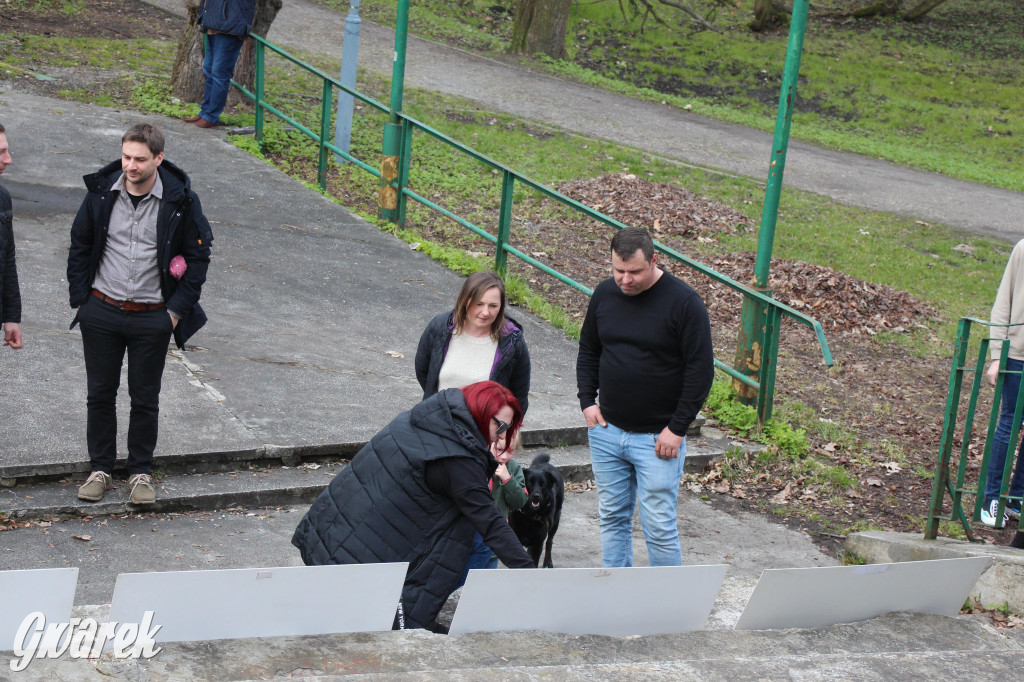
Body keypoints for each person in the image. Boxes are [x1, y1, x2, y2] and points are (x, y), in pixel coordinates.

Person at [291, 381, 535, 633]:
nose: (503, 436)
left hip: (334, 529)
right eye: (501, 425)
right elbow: (491, 523)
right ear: (480, 412)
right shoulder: (458, 459)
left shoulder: (428, 420)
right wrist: (532, 578)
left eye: (509, 428)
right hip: (362, 551)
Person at [68, 123, 213, 505]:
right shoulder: (101, 193)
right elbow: (79, 244)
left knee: (145, 397)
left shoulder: (181, 201)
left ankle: (140, 472)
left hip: (153, 316)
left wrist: (176, 313)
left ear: (158, 159)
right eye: (126, 157)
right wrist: (81, 299)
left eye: (139, 159)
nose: (130, 166)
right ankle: (100, 468)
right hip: (101, 310)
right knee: (100, 393)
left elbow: (199, 258)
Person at [576, 227, 713, 567]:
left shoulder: (684, 303)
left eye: (634, 271)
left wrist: (678, 428)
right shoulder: (604, 294)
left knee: (659, 526)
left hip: (659, 438)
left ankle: (666, 612)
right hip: (608, 431)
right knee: (611, 517)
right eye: (617, 270)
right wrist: (587, 401)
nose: (625, 279)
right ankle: (617, 597)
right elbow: (589, 350)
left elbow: (700, 372)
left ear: (654, 260)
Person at [416, 270, 531, 414]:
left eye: (493, 306)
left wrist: (505, 430)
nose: (485, 312)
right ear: (465, 301)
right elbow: (424, 372)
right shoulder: (440, 327)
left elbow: (519, 395)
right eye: (479, 304)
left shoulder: (512, 342)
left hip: (482, 431)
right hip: (437, 423)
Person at [981, 239, 1024, 527]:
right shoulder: (1023, 249)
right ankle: (991, 497)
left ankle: (1017, 499)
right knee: (1009, 424)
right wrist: (998, 354)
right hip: (1018, 356)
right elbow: (1003, 302)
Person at [454, 430, 528, 589]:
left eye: (510, 451)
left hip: (496, 538)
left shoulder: (513, 469)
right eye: (500, 450)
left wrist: (508, 480)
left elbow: (519, 502)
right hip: (471, 537)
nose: (504, 456)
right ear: (489, 444)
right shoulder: (479, 464)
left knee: (486, 581)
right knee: (465, 578)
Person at [182, 0, 258, 128]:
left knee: (219, 72)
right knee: (209, 70)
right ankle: (205, 112)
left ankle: (211, 116)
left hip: (230, 26)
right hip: (214, 22)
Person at [0, 123, 23, 352]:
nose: (8, 159)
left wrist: (11, 316)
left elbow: (7, 259)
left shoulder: (2, 198)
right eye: (0, 152)